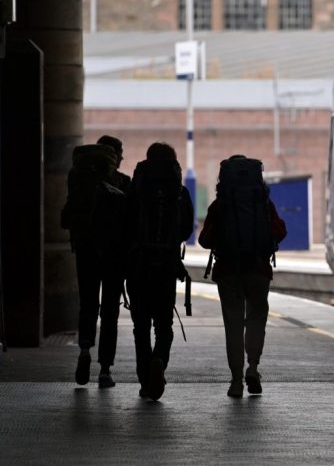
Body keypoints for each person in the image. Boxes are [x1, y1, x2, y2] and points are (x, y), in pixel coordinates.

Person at [198, 155, 286, 398]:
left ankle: (236, 380)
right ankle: (253, 368)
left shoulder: (220, 205)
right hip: (258, 270)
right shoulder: (263, 204)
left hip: (228, 272)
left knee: (233, 324)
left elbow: (205, 240)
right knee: (256, 318)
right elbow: (280, 231)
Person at [125, 142, 194, 401]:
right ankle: (159, 361)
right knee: (164, 325)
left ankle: (145, 380)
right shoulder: (180, 192)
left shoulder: (137, 189)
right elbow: (187, 230)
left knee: (140, 327)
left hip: (138, 265)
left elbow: (127, 225)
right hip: (166, 265)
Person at [61, 142, 127, 388]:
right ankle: (105, 370)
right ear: (114, 157)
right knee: (110, 312)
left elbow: (66, 218)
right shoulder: (123, 182)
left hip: (85, 252)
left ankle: (85, 350)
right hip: (113, 256)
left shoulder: (77, 179)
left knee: (87, 305)